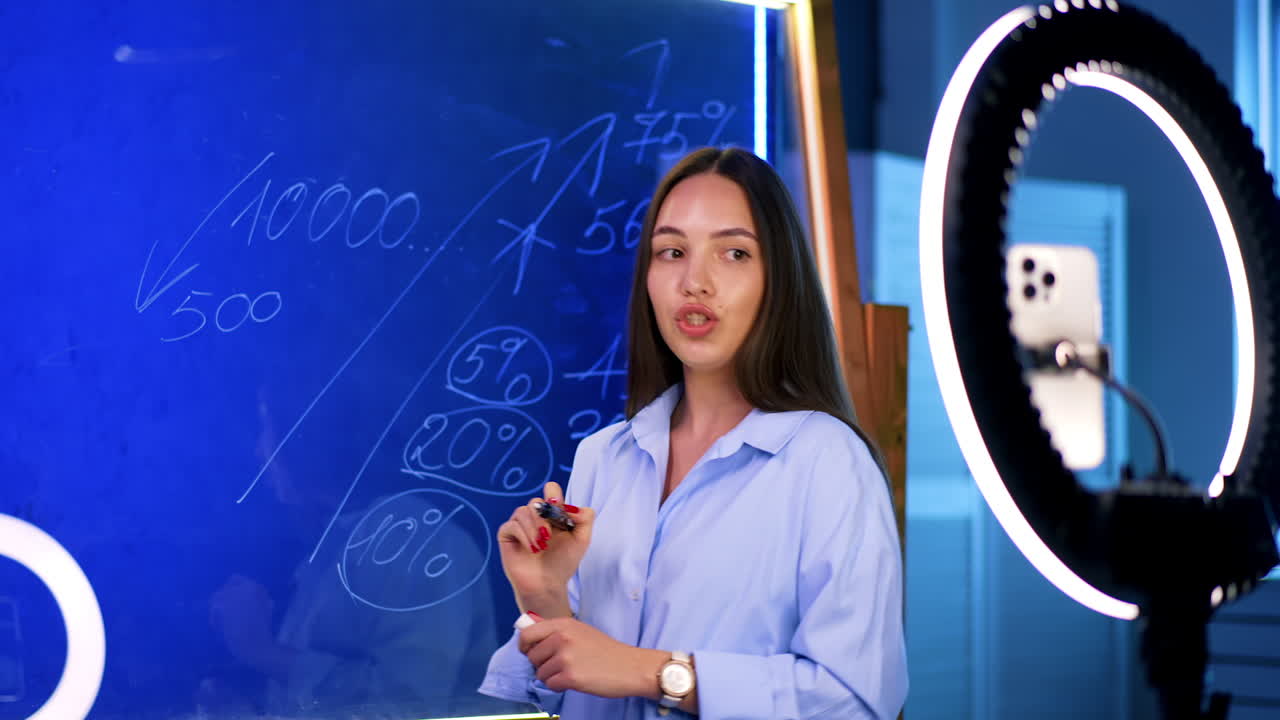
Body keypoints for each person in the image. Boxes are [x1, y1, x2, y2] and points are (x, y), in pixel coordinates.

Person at [478, 147, 908, 719]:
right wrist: (544, 599)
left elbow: (854, 701)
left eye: (733, 253)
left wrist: (651, 671)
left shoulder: (827, 463)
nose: (695, 282)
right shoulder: (604, 458)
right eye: (672, 252)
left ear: (777, 279)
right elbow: (574, 681)